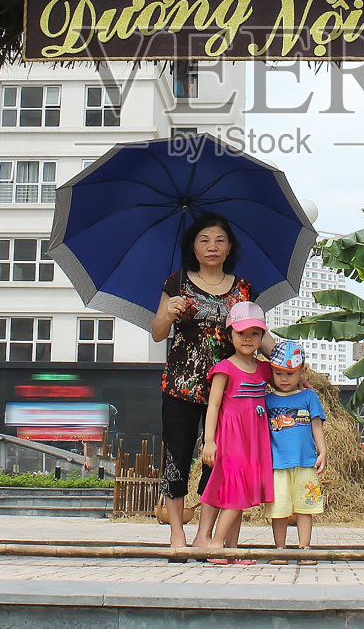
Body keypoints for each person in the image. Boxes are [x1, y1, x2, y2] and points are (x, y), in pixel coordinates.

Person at [149, 213, 257, 550]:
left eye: (220, 240)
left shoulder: (243, 289)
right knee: (176, 457)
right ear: (193, 247)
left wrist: (287, 356)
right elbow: (157, 333)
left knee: (219, 460)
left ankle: (204, 535)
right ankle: (177, 533)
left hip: (226, 389)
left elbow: (256, 333)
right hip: (179, 384)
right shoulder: (176, 282)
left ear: (229, 248)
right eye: (204, 240)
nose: (212, 246)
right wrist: (168, 312)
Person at [194, 301, 274, 563]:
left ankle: (232, 548)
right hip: (231, 439)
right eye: (241, 333)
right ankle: (216, 543)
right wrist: (209, 441)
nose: (248, 339)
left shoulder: (264, 369)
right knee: (236, 491)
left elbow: (287, 377)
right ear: (229, 336)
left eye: (254, 333)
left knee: (241, 492)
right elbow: (214, 405)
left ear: (262, 336)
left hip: (255, 440)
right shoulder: (224, 368)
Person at [263, 340, 326, 563]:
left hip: (306, 463)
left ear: (302, 371)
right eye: (278, 373)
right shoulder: (267, 400)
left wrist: (323, 452)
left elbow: (316, 425)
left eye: (290, 373)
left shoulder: (309, 397)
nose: (283, 378)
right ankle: (280, 549)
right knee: (278, 508)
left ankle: (304, 548)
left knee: (304, 507)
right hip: (277, 465)